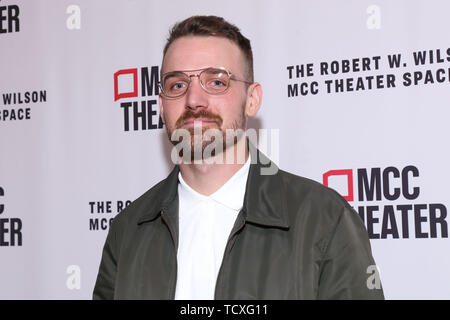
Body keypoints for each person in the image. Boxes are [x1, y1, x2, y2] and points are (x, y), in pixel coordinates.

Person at [93, 15, 384, 300]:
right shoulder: (127, 231)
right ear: (160, 105)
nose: (194, 100)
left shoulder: (323, 218)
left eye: (216, 82)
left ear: (252, 99)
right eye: (177, 85)